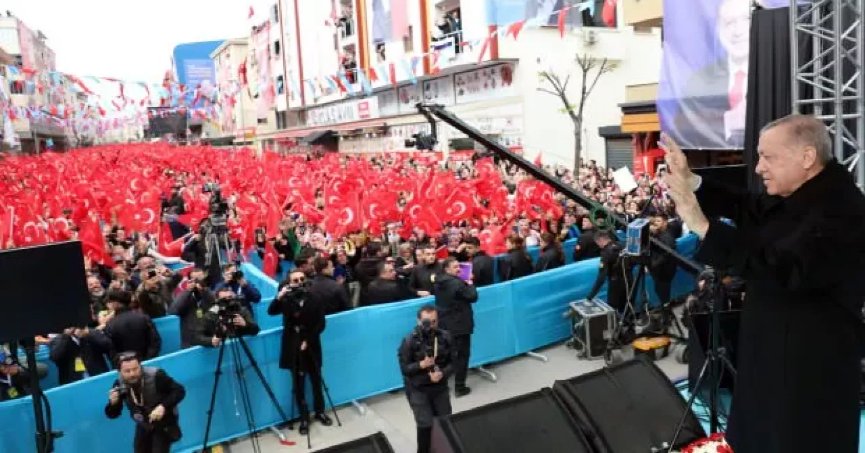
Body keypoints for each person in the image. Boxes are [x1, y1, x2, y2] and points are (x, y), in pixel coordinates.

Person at [661, 115, 865, 453]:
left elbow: (787, 269)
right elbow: (749, 207)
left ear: (807, 157)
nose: (759, 168)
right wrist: (692, 180)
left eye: (768, 157)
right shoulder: (801, 193)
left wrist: (704, 227)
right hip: (771, 359)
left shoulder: (844, 211)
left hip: (808, 376)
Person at [673, 0, 751, 149]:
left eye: (746, 20)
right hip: (720, 156)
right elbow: (682, 128)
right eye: (729, 23)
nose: (738, 31)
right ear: (719, 31)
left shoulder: (781, 73)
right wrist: (727, 122)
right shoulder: (698, 80)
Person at [268, 270, 333, 435]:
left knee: (316, 381)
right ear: (290, 283)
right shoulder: (286, 299)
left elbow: (321, 324)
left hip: (312, 344)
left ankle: (320, 411)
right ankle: (304, 417)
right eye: (295, 280)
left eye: (302, 279)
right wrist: (279, 296)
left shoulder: (315, 297)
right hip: (293, 346)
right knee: (298, 384)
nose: (300, 282)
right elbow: (271, 311)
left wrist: (308, 340)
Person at [398, 306, 456, 453]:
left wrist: (442, 373)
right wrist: (421, 365)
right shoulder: (408, 341)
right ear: (418, 321)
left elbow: (454, 363)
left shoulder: (445, 337)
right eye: (426, 322)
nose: (430, 325)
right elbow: (405, 369)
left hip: (440, 387)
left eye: (434, 321)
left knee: (445, 421)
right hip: (418, 389)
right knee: (425, 425)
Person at [105, 352, 186, 453]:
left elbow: (179, 391)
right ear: (119, 372)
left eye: (135, 369)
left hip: (164, 422)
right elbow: (112, 414)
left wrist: (163, 406)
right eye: (127, 371)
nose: (132, 374)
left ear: (140, 366)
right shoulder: (119, 384)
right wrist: (113, 403)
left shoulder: (157, 376)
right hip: (143, 424)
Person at [434, 257, 478, 397]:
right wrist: (470, 283)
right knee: (462, 356)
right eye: (455, 267)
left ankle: (440, 385)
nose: (459, 269)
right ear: (447, 269)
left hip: (445, 323)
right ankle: (460, 387)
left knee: (447, 355)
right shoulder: (457, 283)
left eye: (458, 266)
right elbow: (473, 296)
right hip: (460, 324)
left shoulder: (438, 282)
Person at [585, 230, 631, 313]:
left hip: (616, 284)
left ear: (601, 240)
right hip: (629, 280)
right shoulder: (621, 245)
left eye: (597, 243)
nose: (599, 246)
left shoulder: (606, 253)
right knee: (627, 307)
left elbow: (601, 277)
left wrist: (590, 296)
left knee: (613, 309)